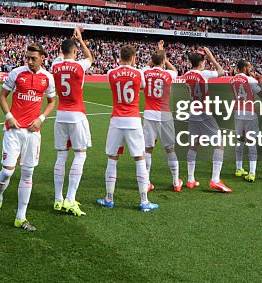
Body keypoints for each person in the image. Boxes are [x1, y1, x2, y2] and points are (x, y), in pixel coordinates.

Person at [0, 42, 57, 232]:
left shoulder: (48, 78)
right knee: (8, 172)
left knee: (28, 174)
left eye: (33, 58)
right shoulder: (17, 73)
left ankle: (21, 217)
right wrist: (9, 117)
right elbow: (2, 96)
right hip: (13, 130)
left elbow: (52, 102)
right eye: (27, 57)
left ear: (42, 58)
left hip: (33, 133)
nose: (29, 61)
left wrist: (41, 118)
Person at [97, 45, 158, 212]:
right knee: (139, 159)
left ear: (119, 56)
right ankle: (144, 201)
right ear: (133, 58)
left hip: (117, 119)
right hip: (133, 120)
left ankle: (109, 198)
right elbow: (143, 87)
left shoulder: (111, 73)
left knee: (112, 158)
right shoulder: (139, 73)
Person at [49, 27, 94, 217]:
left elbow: (64, 53)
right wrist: (80, 40)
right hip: (77, 114)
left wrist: (71, 41)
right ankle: (70, 198)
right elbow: (90, 57)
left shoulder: (55, 65)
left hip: (60, 115)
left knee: (61, 156)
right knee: (80, 155)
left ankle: (58, 199)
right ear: (75, 52)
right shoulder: (79, 66)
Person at [182, 47, 232, 192]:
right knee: (220, 143)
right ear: (202, 62)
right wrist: (212, 58)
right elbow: (222, 72)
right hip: (204, 113)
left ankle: (191, 179)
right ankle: (215, 179)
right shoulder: (203, 74)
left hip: (193, 113)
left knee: (194, 145)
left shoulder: (186, 75)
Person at [142, 41, 182, 191]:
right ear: (164, 61)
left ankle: (146, 182)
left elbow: (148, 65)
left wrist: (157, 55)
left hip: (149, 113)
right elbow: (175, 69)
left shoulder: (145, 72)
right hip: (165, 114)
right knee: (170, 148)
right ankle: (175, 182)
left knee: (148, 148)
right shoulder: (169, 74)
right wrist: (163, 55)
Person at [228, 59, 262, 183]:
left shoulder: (232, 80)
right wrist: (260, 82)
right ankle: (252, 173)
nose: (251, 69)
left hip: (238, 113)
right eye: (249, 67)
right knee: (251, 142)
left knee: (240, 140)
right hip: (249, 114)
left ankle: (238, 168)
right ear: (244, 68)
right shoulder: (250, 80)